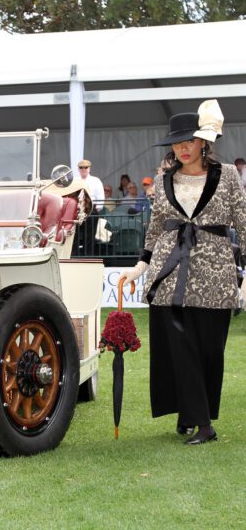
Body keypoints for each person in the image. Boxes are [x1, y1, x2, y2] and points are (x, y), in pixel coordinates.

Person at [121, 99, 244, 445]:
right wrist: (140, 265)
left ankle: (190, 414)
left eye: (188, 141)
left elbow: (244, 224)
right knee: (179, 347)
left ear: (204, 141)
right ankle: (203, 424)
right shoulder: (162, 182)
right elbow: (156, 229)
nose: (182, 148)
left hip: (214, 274)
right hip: (168, 273)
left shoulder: (228, 176)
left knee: (208, 349)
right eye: (177, 143)